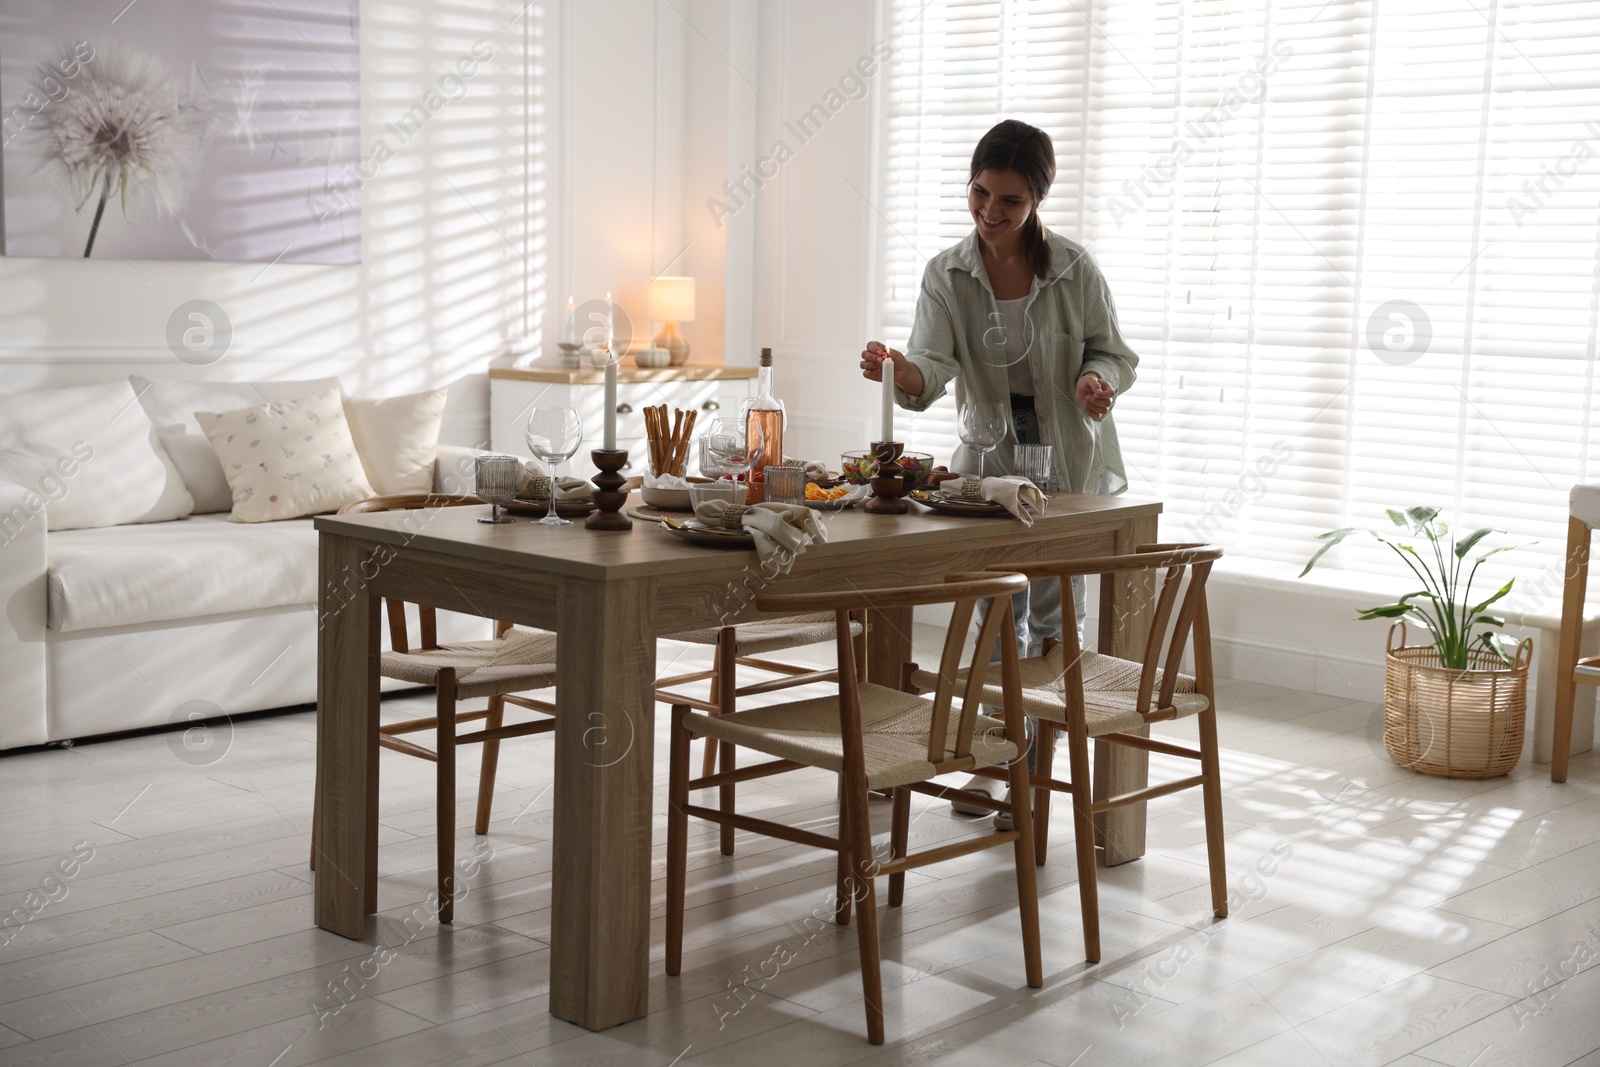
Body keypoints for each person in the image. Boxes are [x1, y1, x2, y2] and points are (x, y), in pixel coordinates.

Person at [858, 118, 1138, 826]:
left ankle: (1033, 776)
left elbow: (1115, 354)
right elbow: (932, 369)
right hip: (988, 465)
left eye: (1008, 201)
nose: (990, 212)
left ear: (1037, 200)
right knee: (992, 616)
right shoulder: (947, 273)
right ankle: (992, 758)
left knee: (1051, 622)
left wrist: (1097, 381)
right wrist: (898, 368)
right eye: (980, 193)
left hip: (1068, 463)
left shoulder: (1074, 269)